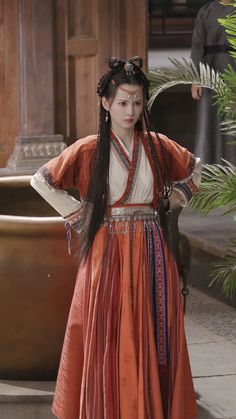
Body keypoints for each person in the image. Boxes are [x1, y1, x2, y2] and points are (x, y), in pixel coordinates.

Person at [31, 56, 201, 419]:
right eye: (123, 102)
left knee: (153, 331)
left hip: (152, 249)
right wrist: (79, 215)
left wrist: (174, 198)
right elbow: (41, 180)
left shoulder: (156, 145)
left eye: (138, 102)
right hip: (108, 252)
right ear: (106, 103)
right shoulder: (90, 148)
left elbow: (194, 170)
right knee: (109, 332)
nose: (131, 111)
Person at [191, 0, 236, 164]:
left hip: (233, 72)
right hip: (210, 75)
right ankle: (208, 171)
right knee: (208, 122)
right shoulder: (206, 11)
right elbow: (197, 46)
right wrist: (197, 77)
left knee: (232, 124)